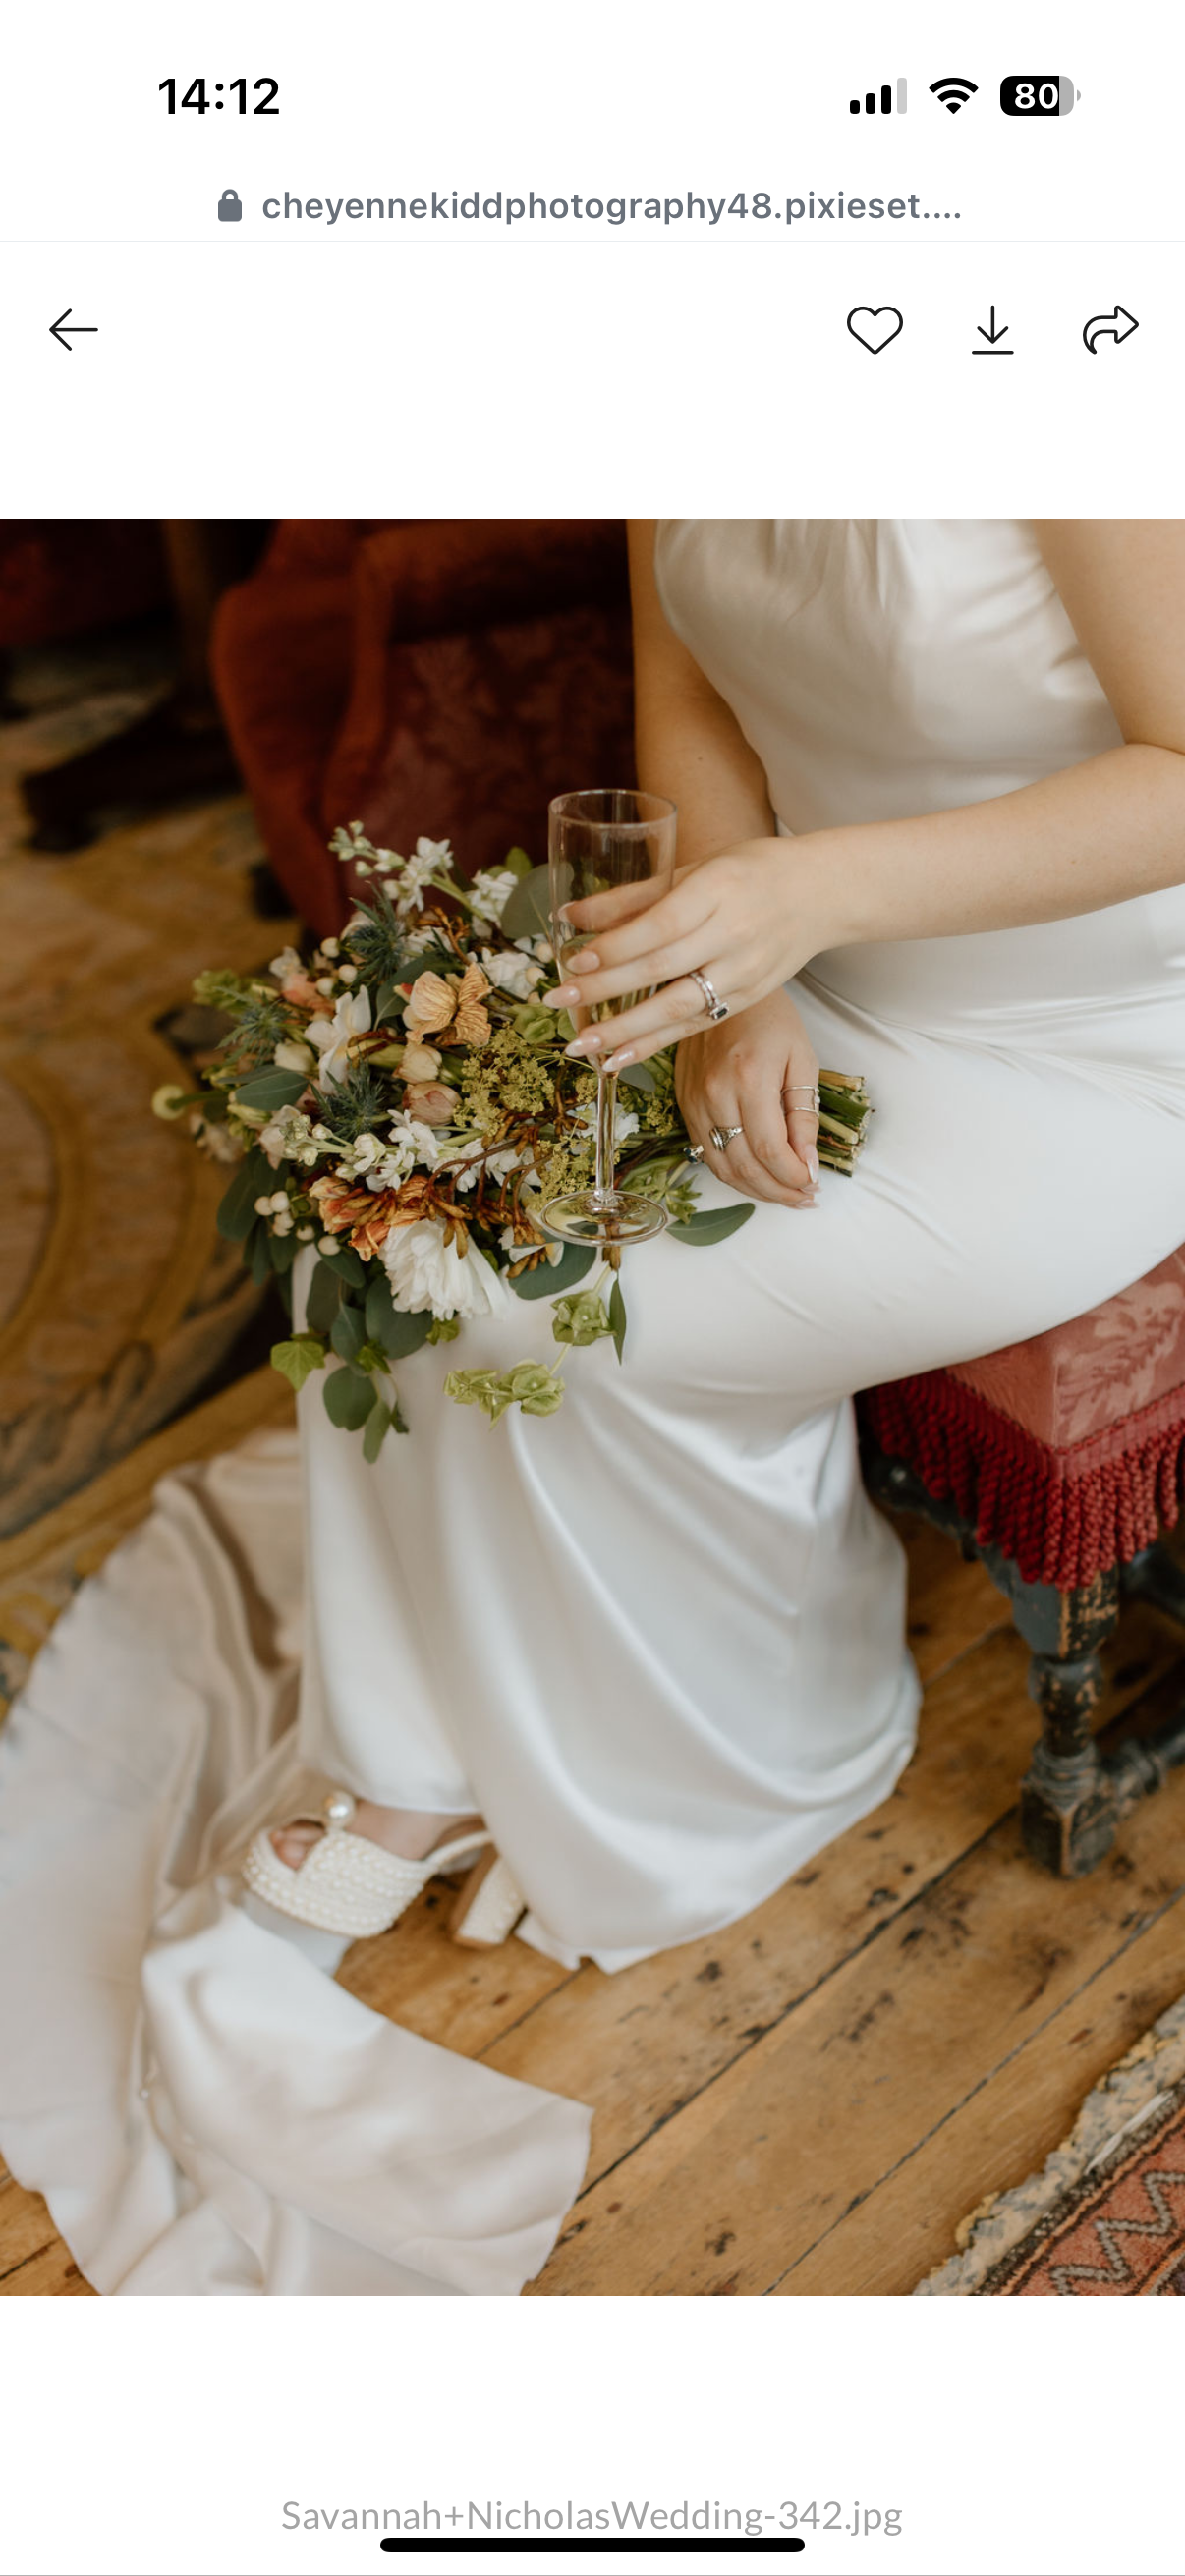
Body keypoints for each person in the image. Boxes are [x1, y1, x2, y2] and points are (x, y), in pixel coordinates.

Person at [5, 519, 1185, 2297]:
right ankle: (426, 1733)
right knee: (384, 1218)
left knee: (551, 1315)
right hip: (781, 968)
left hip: (1080, 1044)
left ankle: (721, 1741)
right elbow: (689, 702)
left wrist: (810, 898)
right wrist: (743, 984)